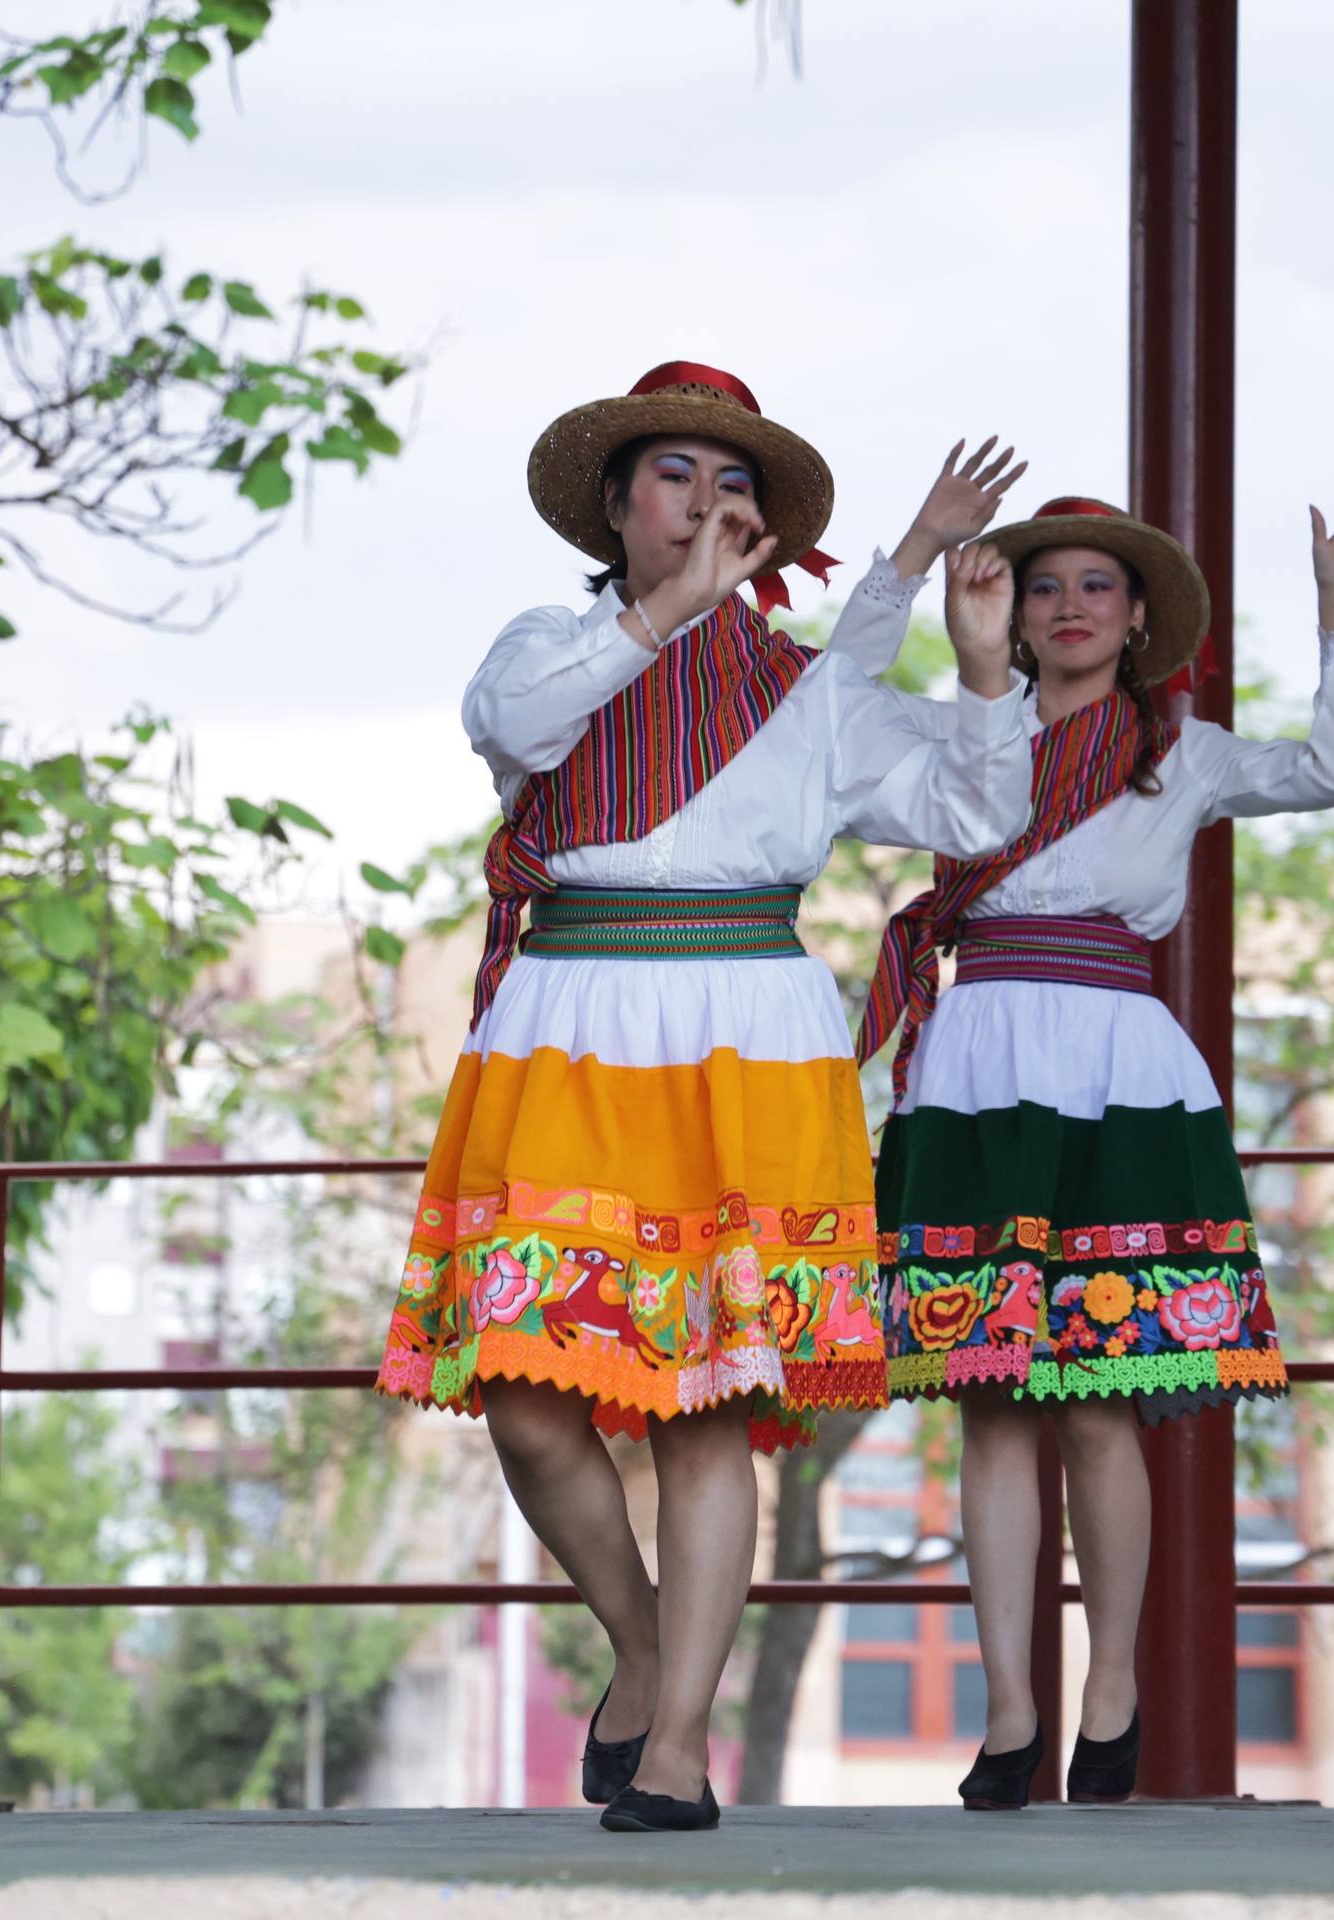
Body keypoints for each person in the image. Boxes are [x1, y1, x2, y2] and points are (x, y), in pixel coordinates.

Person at [376, 361, 1030, 1832]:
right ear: (615, 505)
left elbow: (973, 812)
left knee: (710, 1405)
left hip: (747, 1024)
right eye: (677, 474)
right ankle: (649, 1643)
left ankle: (677, 1746)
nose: (708, 501)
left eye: (734, 482)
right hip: (572, 1018)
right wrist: (663, 615)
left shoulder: (806, 687)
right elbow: (523, 730)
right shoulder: (549, 641)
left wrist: (984, 666)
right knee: (529, 1390)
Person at [857, 480, 1334, 1809]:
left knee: (1100, 1399)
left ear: (1138, 616)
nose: (1065, 607)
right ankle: (1007, 1715)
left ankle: (1108, 1694)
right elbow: (839, 737)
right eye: (1039, 583)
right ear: (999, 602)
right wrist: (946, 620)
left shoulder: (1187, 749)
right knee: (989, 1401)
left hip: (1118, 1060)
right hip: (982, 1052)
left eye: (1094, 586)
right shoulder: (957, 731)